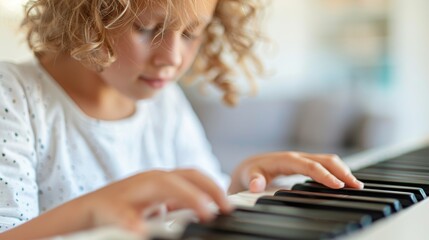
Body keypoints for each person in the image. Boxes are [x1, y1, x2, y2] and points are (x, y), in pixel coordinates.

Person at [0, 0, 364, 239]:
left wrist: (240, 186)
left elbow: (198, 203)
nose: (172, 58)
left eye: (191, 34)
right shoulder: (13, 96)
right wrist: (95, 209)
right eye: (146, 29)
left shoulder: (164, 102)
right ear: (83, 14)